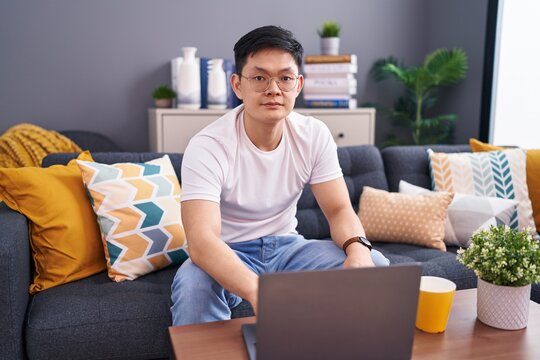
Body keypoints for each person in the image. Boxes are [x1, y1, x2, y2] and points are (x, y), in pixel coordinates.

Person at [170, 25, 389, 326]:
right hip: (228, 251)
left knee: (375, 264)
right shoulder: (208, 146)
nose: (273, 89)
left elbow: (339, 210)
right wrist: (257, 290)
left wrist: (359, 252)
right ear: (237, 85)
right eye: (259, 77)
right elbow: (202, 241)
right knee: (194, 285)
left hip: (288, 249)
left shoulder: (313, 135)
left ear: (298, 85)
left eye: (285, 78)